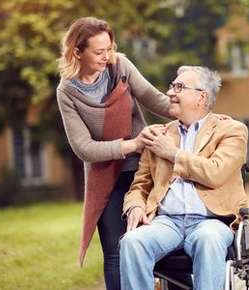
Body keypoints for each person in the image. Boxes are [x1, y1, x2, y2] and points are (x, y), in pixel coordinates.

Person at [56, 17, 171, 290]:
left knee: (165, 243)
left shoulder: (119, 66)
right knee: (115, 250)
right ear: (77, 52)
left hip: (144, 169)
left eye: (109, 48)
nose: (106, 56)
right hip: (105, 176)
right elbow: (83, 148)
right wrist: (132, 144)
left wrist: (196, 112)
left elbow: (155, 99)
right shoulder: (67, 92)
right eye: (98, 51)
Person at [119, 66, 248, 290]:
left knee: (208, 240)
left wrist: (173, 153)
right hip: (166, 222)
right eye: (172, 86)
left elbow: (215, 172)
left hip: (211, 221)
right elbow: (140, 185)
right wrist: (135, 207)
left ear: (201, 97)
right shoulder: (159, 134)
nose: (170, 93)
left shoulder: (231, 130)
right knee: (132, 241)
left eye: (179, 87)